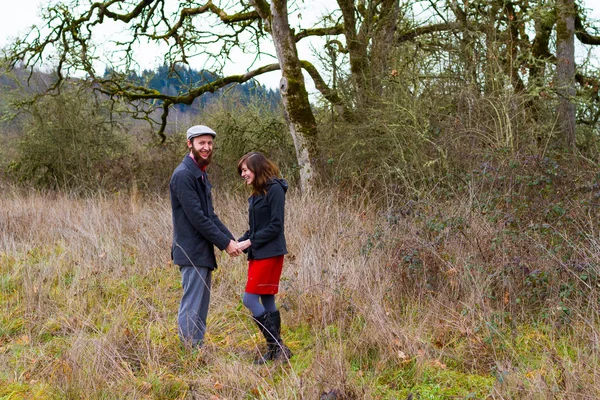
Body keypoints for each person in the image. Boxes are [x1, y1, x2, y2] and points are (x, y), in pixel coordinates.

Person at [170, 124, 241, 348]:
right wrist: (225, 244)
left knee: (200, 305)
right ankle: (189, 352)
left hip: (201, 251)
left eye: (210, 143)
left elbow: (210, 215)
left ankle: (196, 350)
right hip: (191, 251)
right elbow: (198, 219)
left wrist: (232, 241)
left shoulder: (199, 173)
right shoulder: (183, 175)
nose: (207, 147)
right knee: (192, 304)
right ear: (189, 144)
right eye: (201, 143)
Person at [236, 151, 293, 363]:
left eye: (245, 170)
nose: (242, 174)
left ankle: (276, 347)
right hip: (258, 252)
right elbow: (255, 228)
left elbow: (276, 226)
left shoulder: (275, 189)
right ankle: (275, 351)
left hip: (270, 253)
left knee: (249, 299)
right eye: (241, 171)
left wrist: (250, 242)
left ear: (257, 167)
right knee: (267, 298)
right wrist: (238, 242)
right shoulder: (257, 192)